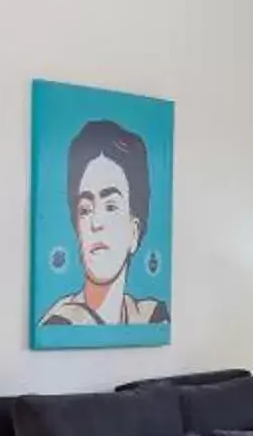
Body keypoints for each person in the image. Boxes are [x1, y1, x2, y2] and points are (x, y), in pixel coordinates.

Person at [38, 118, 170, 328]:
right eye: (86, 210)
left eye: (110, 207)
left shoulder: (152, 317)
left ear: (134, 231)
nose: (96, 222)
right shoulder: (60, 323)